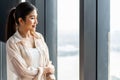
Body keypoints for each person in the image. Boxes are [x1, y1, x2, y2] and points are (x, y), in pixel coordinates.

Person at [5, 2, 55, 80]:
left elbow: (48, 65)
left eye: (36, 18)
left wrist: (49, 74)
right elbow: (23, 73)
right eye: (32, 18)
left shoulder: (39, 37)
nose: (36, 22)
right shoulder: (12, 43)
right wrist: (43, 70)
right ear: (21, 20)